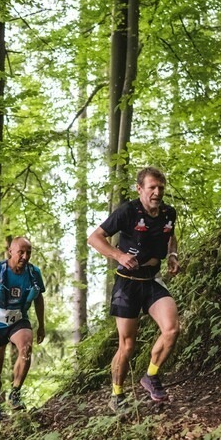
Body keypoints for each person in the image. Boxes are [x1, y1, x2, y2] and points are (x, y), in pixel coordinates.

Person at [88, 166, 181, 412]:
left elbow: (170, 235)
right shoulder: (128, 211)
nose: (157, 192)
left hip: (152, 280)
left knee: (171, 329)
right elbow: (95, 237)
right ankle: (117, 394)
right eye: (152, 187)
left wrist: (172, 255)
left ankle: (151, 375)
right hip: (127, 283)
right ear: (140, 189)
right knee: (127, 345)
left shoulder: (169, 213)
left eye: (160, 187)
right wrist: (118, 255)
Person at [0, 236, 47, 422]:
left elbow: (38, 298)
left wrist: (41, 325)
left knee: (26, 348)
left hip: (18, 320)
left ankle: (15, 393)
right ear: (10, 252)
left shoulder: (33, 272)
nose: (24, 256)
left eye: (28, 252)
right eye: (21, 252)